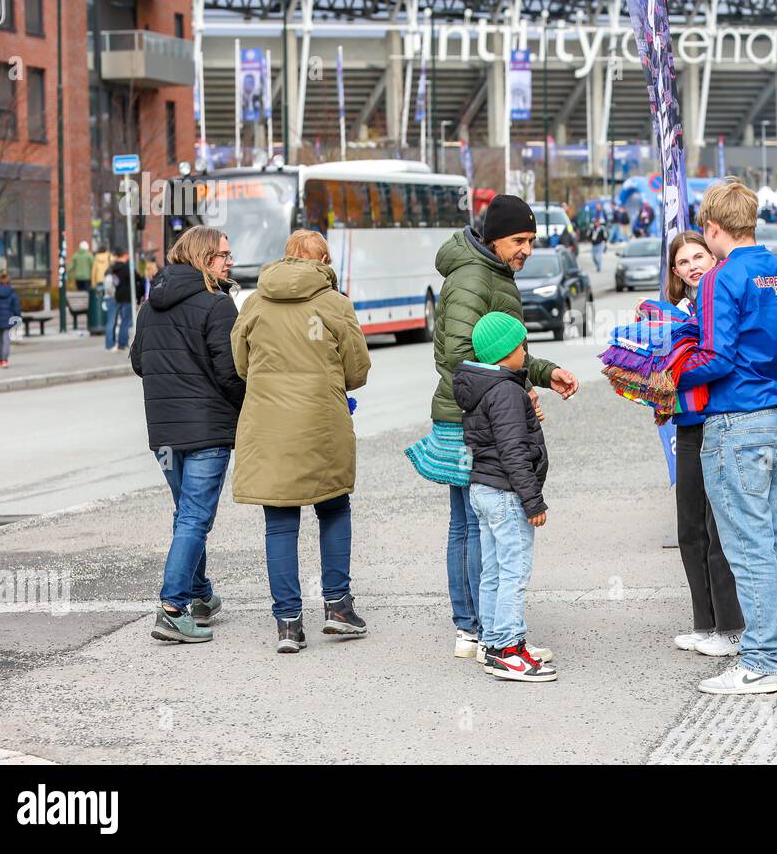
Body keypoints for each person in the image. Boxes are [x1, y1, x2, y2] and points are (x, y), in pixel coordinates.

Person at [410, 194, 578, 662]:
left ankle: (491, 629)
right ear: (494, 237)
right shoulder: (471, 277)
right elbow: (459, 357)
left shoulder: (495, 272)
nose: (526, 249)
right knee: (470, 524)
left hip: (478, 412)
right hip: (467, 418)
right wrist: (510, 395)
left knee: (472, 522)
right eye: (519, 240)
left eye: (531, 240)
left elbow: (502, 352)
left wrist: (543, 373)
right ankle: (478, 630)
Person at [678, 178, 777, 695]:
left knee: (748, 545)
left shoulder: (720, 278)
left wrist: (670, 376)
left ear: (713, 229)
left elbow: (716, 356)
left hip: (736, 420)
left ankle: (757, 662)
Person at [230, 229, 372, 654]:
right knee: (332, 507)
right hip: (321, 423)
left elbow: (240, 362)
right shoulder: (335, 304)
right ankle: (337, 607)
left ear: (285, 258)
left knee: (279, 521)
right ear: (323, 260)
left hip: (268, 424)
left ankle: (288, 624)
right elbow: (358, 369)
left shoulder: (254, 302)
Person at [130, 226, 245, 644]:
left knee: (185, 515)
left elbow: (139, 362)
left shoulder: (150, 305)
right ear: (202, 258)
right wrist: (243, 405)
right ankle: (172, 608)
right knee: (195, 517)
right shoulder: (218, 306)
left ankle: (201, 596)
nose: (229, 262)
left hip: (162, 435)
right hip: (207, 431)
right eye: (223, 255)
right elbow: (230, 374)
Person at [453, 313, 557, 682]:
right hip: (507, 494)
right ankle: (509, 649)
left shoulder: (480, 387)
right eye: (520, 346)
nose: (525, 353)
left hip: (482, 489)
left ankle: (493, 641)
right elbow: (513, 451)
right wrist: (533, 501)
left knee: (493, 571)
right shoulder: (508, 392)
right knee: (514, 571)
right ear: (505, 352)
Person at [665, 232, 745, 657]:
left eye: (699, 256)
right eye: (684, 261)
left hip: (722, 423)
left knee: (719, 530)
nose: (693, 265)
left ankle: (732, 627)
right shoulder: (673, 312)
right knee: (689, 529)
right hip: (687, 427)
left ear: (714, 257)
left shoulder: (724, 302)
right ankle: (705, 623)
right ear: (675, 272)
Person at [104, 249, 139, 352]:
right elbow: (135, 277)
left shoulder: (112, 269)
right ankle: (120, 343)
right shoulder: (125, 268)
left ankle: (110, 345)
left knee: (113, 321)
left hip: (114, 296)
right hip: (120, 296)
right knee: (123, 320)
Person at [0, 272, 21, 369]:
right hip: (9, 320)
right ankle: (4, 360)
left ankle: (1, 359)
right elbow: (16, 309)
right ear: (8, 282)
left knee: (1, 340)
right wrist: (18, 320)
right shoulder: (12, 294)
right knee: (6, 340)